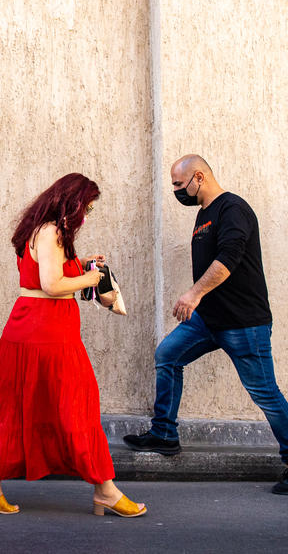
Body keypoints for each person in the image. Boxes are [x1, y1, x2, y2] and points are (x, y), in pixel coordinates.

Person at [0, 173, 146, 518]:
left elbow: (49, 274)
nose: (86, 215)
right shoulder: (51, 232)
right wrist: (91, 278)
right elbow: (52, 284)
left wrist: (83, 263)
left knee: (15, 407)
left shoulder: (42, 231)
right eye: (86, 207)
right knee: (79, 405)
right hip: (48, 332)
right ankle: (106, 490)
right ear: (71, 203)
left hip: (30, 328)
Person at [124, 155, 288, 496]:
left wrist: (193, 294)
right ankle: (165, 433)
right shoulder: (203, 213)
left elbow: (228, 259)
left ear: (199, 177)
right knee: (168, 355)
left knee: (266, 395)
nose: (176, 191)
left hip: (244, 324)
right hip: (209, 321)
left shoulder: (233, 209)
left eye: (179, 185)